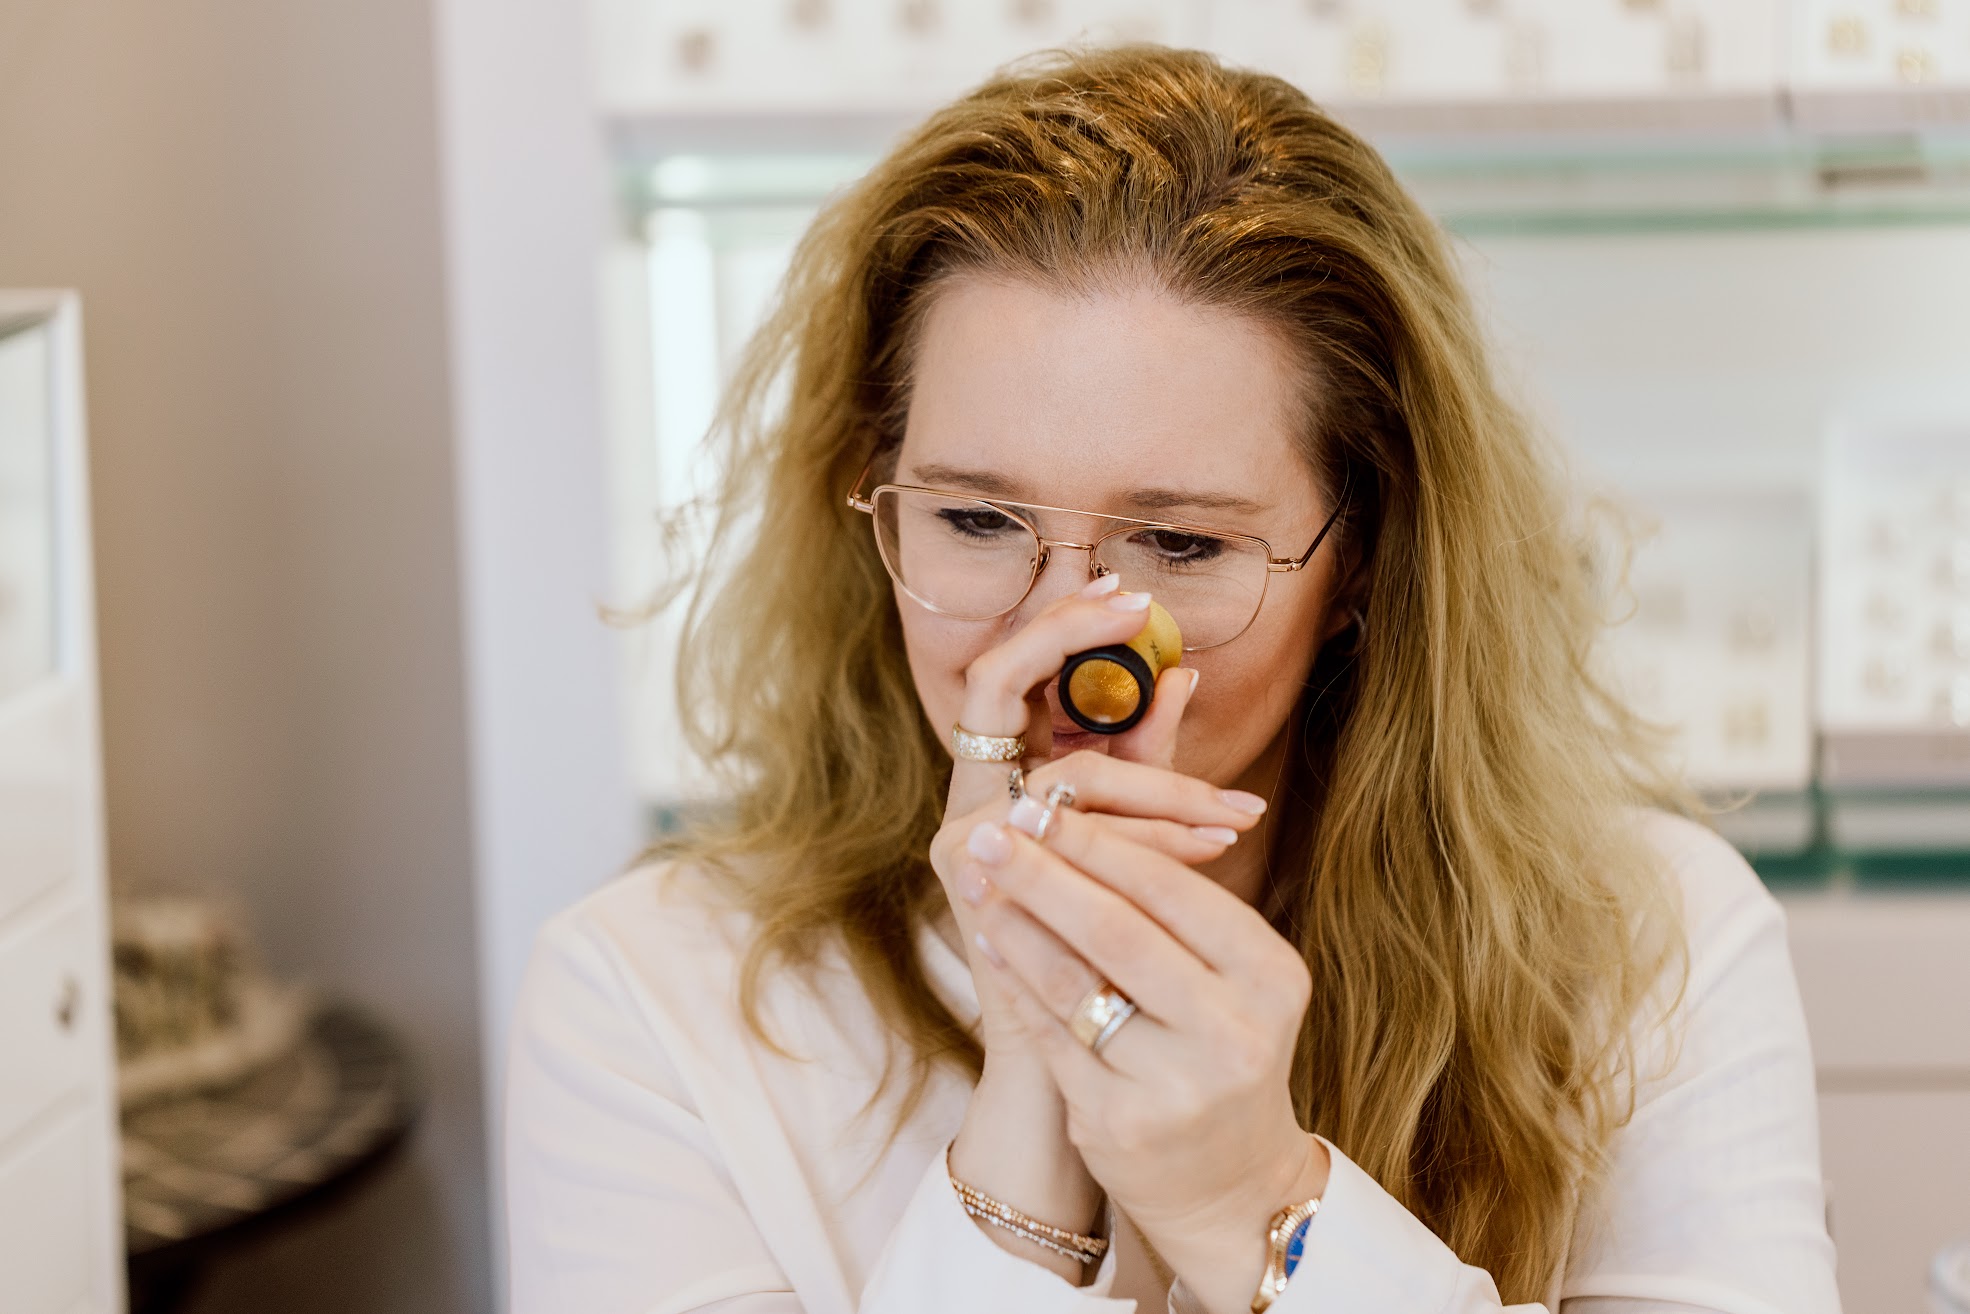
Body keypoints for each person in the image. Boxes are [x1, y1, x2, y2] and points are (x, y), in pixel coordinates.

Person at [504, 43, 1839, 1314]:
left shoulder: (1644, 942)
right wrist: (1027, 1094)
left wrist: (1254, 1197)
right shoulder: (647, 998)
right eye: (974, 522)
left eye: (1182, 543)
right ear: (867, 500)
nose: (1064, 646)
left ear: (1361, 557)